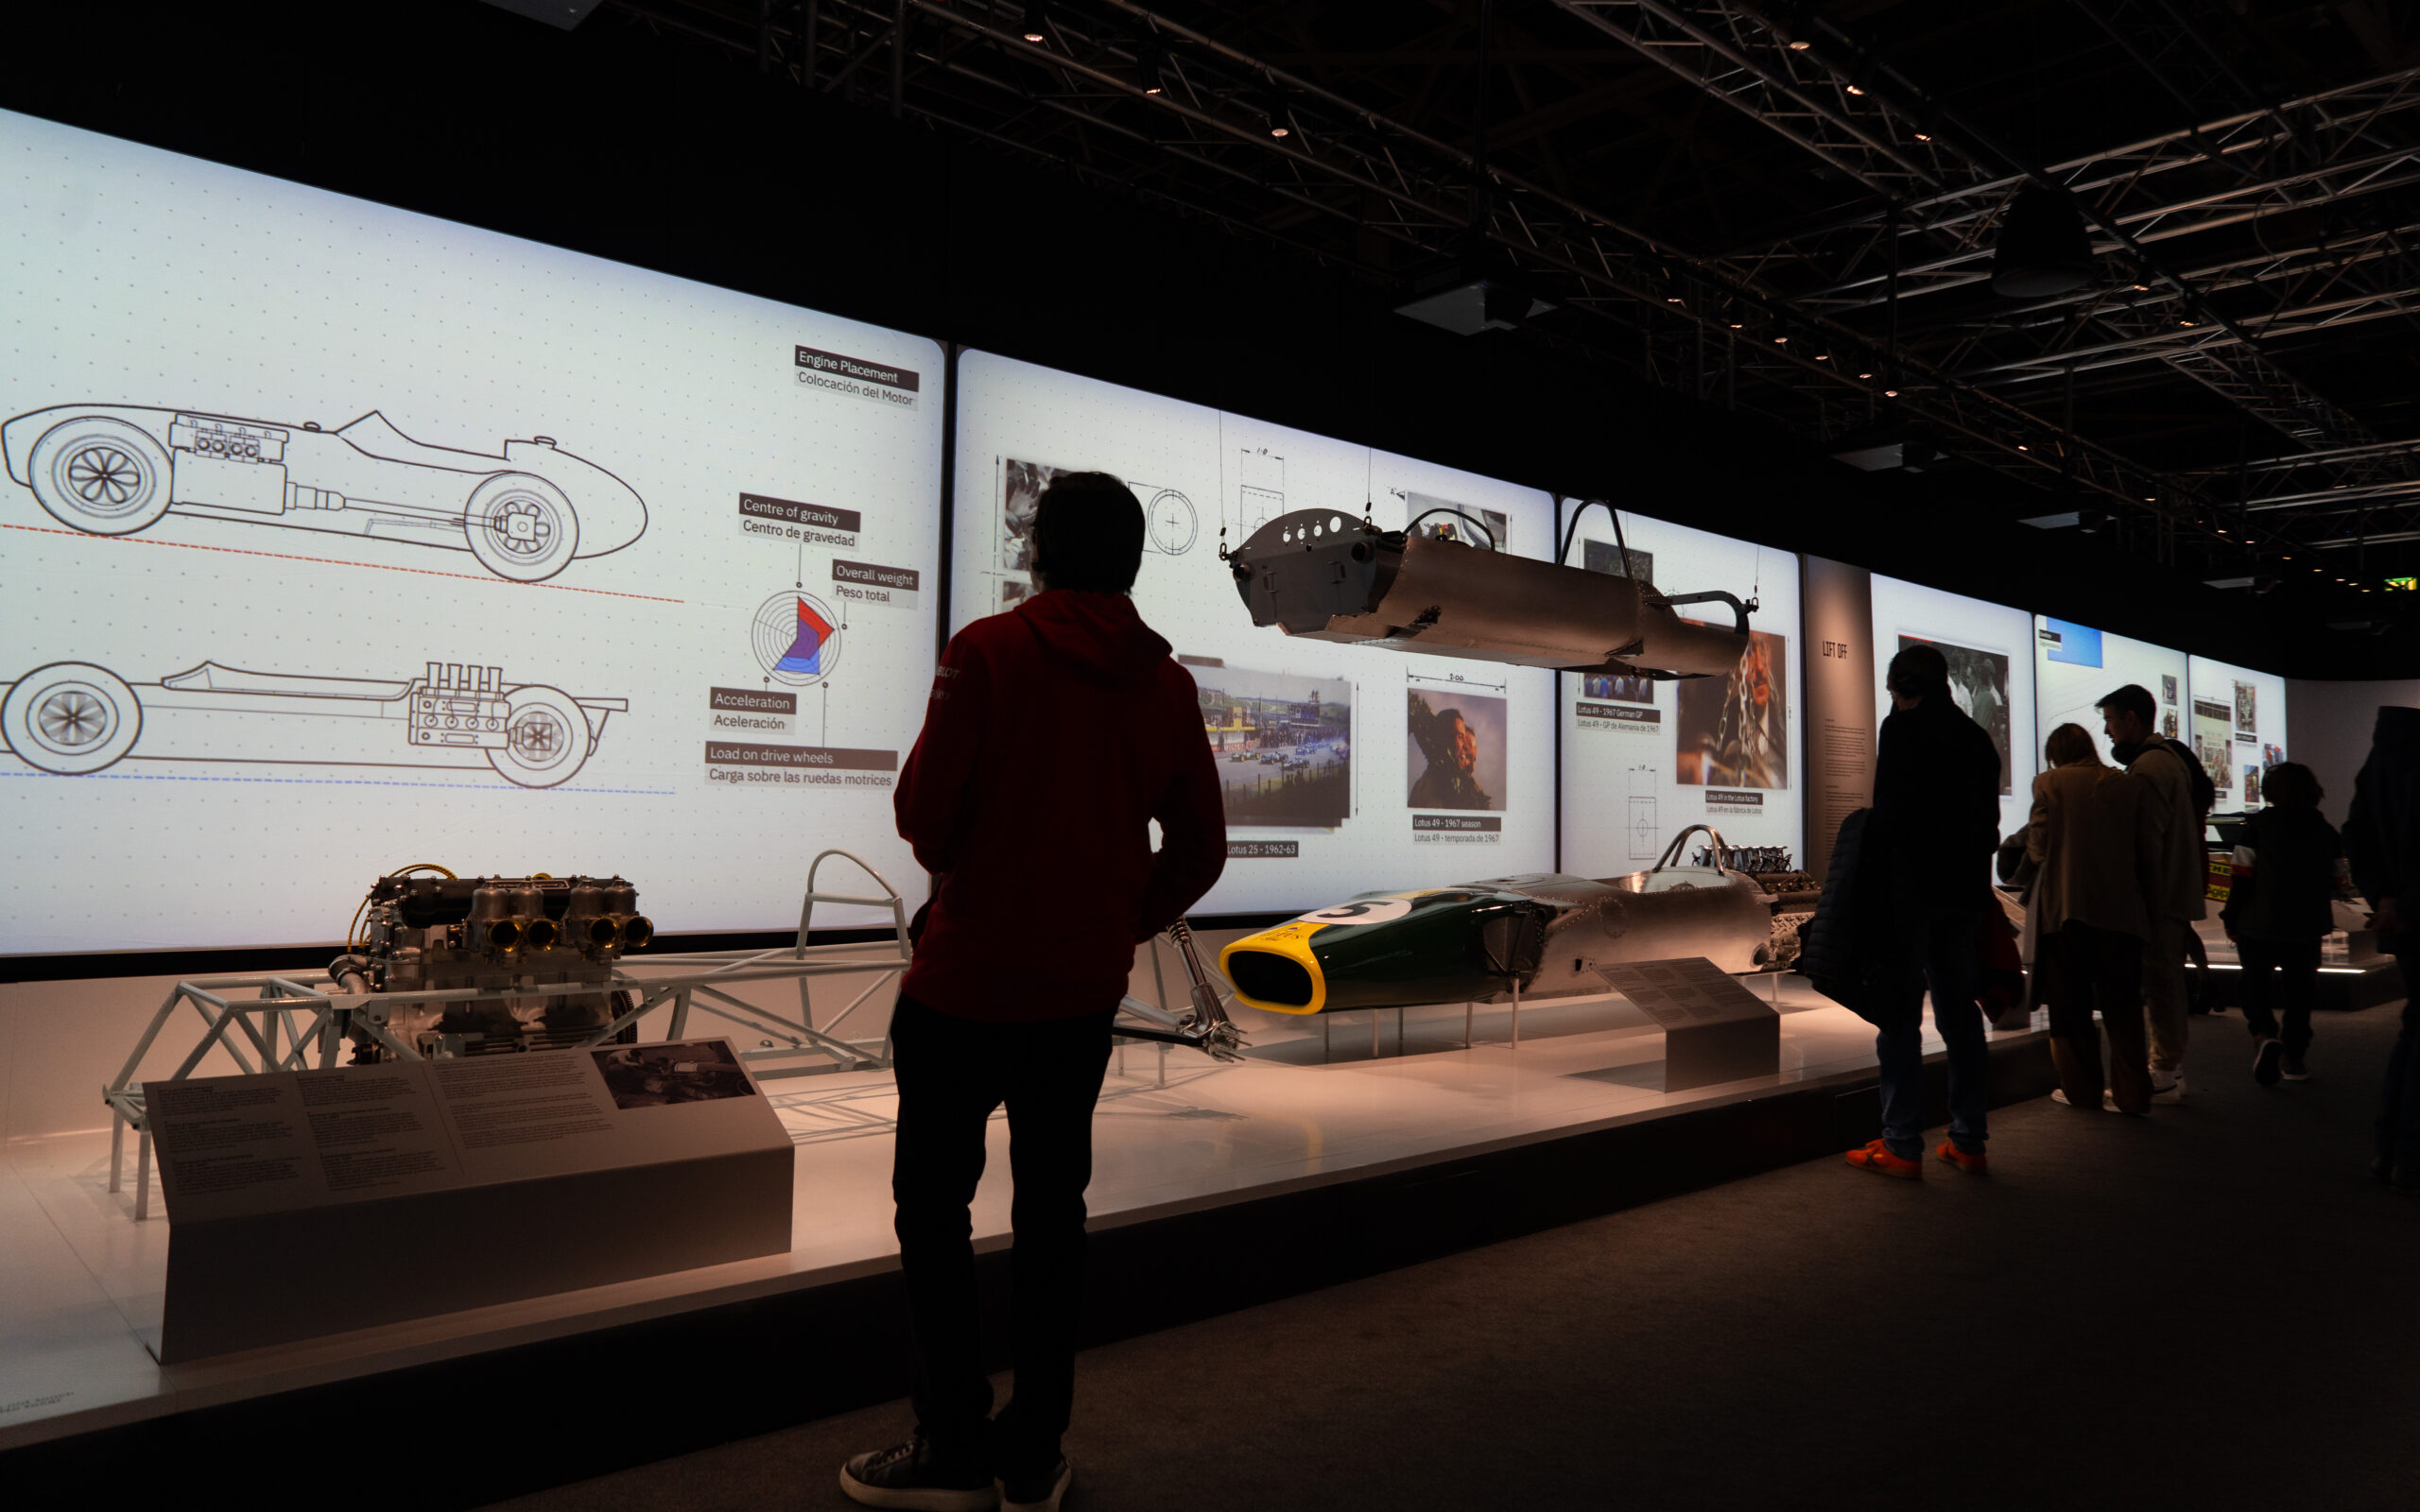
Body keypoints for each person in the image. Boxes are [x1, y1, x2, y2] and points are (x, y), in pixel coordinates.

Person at [842, 472, 1226, 1512]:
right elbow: (1199, 850)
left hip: (962, 986)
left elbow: (923, 816)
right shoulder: (1167, 686)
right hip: (1076, 997)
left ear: (1037, 550)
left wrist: (985, 875)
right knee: (1055, 1219)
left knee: (934, 1215)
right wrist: (1113, 919)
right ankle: (1032, 1455)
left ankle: (951, 1444)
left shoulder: (986, 651)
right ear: (1134, 561)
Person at [1845, 643, 2003, 1177]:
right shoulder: (1977, 738)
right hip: (1964, 895)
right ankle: (1969, 1141)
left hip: (1910, 896)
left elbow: (1889, 818)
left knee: (1898, 1016)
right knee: (1960, 1016)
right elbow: (1987, 829)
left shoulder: (1903, 730)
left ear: (1903, 689)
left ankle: (1902, 1144)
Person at [2026, 724, 2161, 1114]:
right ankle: (2132, 1094)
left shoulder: (2049, 783)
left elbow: (2037, 849)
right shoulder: (2128, 785)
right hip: (2121, 913)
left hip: (2066, 911)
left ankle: (2082, 1091)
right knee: (2123, 1007)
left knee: (2070, 1006)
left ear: (2055, 753)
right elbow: (2146, 851)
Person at [2097, 684, 2207, 1101]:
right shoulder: (2167, 759)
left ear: (2131, 719)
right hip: (2169, 893)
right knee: (2166, 980)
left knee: (2161, 982)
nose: (2107, 731)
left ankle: (2163, 1069)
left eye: (2110, 720)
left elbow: (2147, 842)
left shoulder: (2148, 768)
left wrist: (2140, 900)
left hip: (2158, 898)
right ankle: (2169, 1068)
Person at [2220, 763, 2343, 1086]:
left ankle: (2264, 1035)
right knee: (2301, 995)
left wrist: (2230, 916)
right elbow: (2338, 880)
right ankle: (2295, 1058)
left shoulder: (2256, 828)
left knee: (2254, 987)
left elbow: (2241, 878)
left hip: (2258, 924)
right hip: (2307, 927)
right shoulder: (2325, 830)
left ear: (2269, 791)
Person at [2344, 706, 2420, 1191]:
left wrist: (2386, 899)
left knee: (2414, 1030)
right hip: (2413, 914)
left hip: (2404, 923)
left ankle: (2389, 1146)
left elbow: (2357, 835)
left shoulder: (2380, 760)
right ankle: (2409, 1155)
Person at [1408, 693, 1492, 809]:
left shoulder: (1472, 793)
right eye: (1467, 756)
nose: (1472, 768)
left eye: (1473, 759)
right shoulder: (1425, 787)